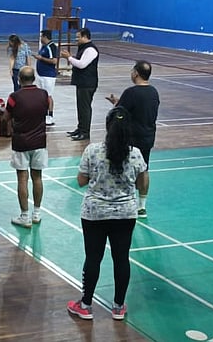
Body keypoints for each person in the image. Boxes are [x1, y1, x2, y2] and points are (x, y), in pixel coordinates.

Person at [67, 107, 147, 321]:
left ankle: (85, 305)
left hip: (95, 214)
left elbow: (81, 180)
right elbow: (142, 184)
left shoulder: (92, 151)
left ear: (107, 126)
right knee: (121, 258)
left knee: (93, 258)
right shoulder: (136, 154)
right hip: (125, 214)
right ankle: (118, 307)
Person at [106, 60, 160, 218]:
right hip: (148, 137)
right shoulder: (154, 92)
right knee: (144, 170)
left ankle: (124, 201)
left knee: (123, 169)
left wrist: (116, 106)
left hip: (130, 139)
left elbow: (119, 114)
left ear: (136, 73)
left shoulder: (131, 92)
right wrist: (118, 102)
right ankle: (142, 206)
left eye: (132, 71)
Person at [6, 66, 50, 228]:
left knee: (22, 179)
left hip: (21, 143)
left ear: (19, 79)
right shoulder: (44, 94)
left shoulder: (14, 97)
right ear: (34, 78)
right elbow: (48, 108)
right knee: (37, 177)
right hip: (39, 142)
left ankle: (25, 216)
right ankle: (36, 213)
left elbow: (6, 117)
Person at [61, 27, 100, 141]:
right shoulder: (84, 48)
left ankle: (85, 132)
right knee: (81, 107)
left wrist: (69, 57)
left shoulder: (91, 50)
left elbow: (82, 64)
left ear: (85, 37)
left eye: (78, 37)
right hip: (82, 83)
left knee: (85, 108)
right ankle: (80, 128)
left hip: (88, 84)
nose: (76, 39)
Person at [32, 29, 58, 125]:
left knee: (48, 96)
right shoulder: (44, 46)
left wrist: (41, 58)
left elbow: (54, 61)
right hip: (41, 75)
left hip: (48, 76)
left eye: (41, 36)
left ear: (45, 37)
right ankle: (43, 115)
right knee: (41, 96)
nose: (40, 38)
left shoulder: (52, 47)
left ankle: (50, 116)